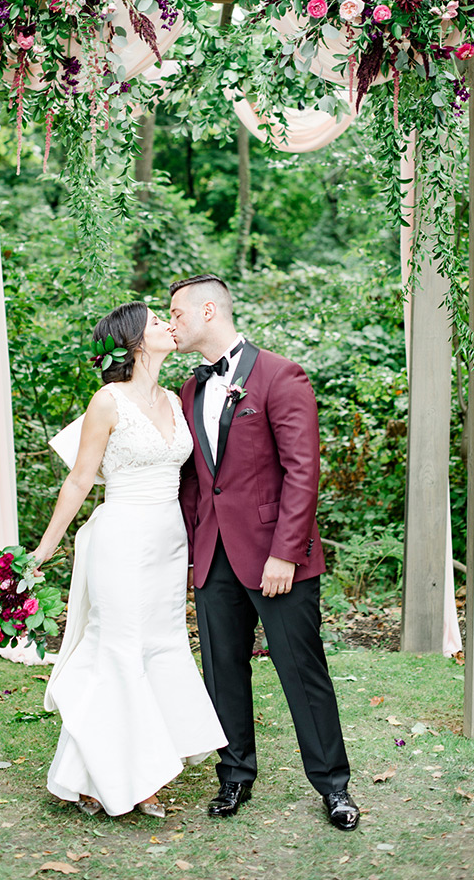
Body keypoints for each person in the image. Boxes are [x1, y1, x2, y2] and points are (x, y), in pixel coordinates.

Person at [169, 274, 360, 831]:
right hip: (213, 557)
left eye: (176, 313)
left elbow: (303, 471)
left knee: (302, 669)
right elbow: (193, 481)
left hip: (276, 558)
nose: (171, 324)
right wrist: (191, 549)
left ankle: (334, 785)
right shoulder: (189, 391)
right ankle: (234, 776)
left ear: (208, 311)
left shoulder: (280, 375)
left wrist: (286, 554)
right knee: (221, 671)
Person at [31, 301, 226, 819]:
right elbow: (79, 479)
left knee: (158, 648)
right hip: (120, 538)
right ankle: (129, 780)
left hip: (168, 543)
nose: (168, 324)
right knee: (118, 650)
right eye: (157, 320)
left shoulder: (175, 399)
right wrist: (46, 548)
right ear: (135, 341)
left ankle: (101, 775)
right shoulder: (107, 402)